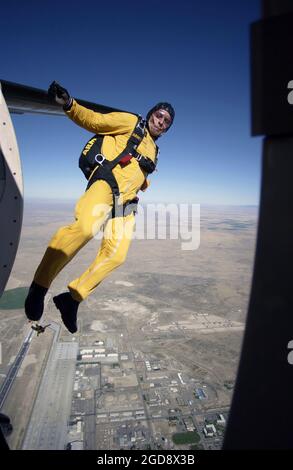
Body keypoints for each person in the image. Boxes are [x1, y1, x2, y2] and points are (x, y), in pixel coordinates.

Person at [25, 82, 175, 334]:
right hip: (106, 184)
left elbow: (138, 176)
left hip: (127, 203)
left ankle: (71, 299)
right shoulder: (130, 122)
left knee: (116, 255)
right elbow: (95, 121)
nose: (161, 121)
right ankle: (39, 287)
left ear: (168, 128)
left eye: (166, 121)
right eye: (159, 115)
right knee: (84, 229)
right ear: (151, 113)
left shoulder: (155, 149)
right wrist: (70, 105)